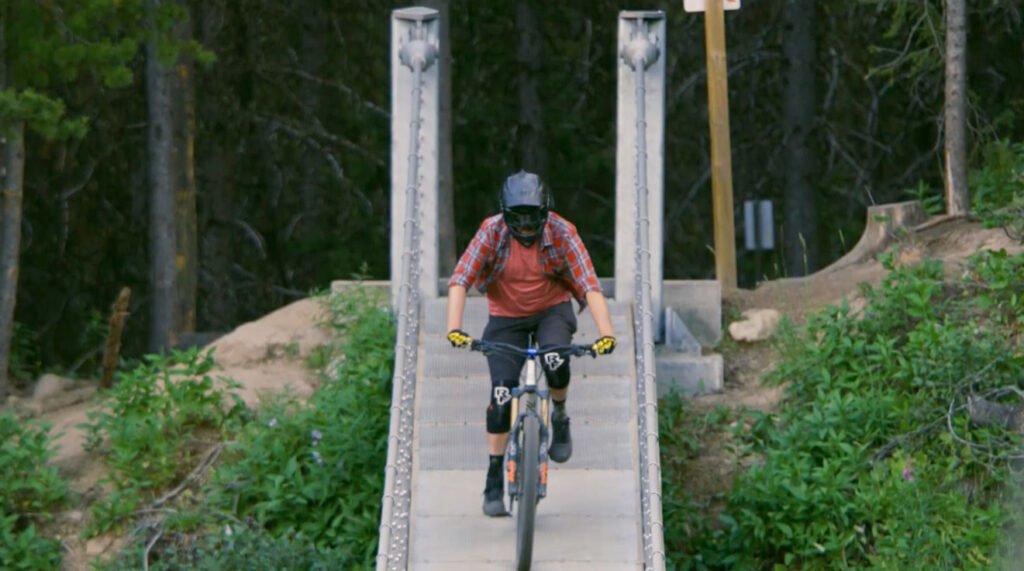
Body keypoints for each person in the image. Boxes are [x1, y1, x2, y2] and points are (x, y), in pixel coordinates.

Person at [446, 170, 617, 517]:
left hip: (551, 310)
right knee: (499, 397)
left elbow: (588, 283)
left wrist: (606, 333)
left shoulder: (562, 232)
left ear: (545, 213)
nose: (525, 228)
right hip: (505, 318)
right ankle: (494, 476)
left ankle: (560, 414)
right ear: (505, 215)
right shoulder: (490, 232)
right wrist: (455, 328)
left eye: (532, 220)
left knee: (555, 358)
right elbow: (461, 278)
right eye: (517, 221)